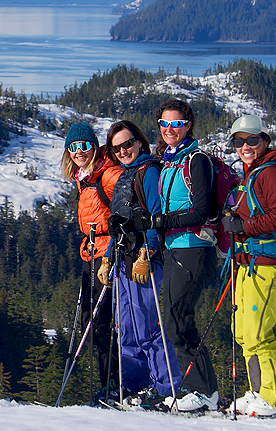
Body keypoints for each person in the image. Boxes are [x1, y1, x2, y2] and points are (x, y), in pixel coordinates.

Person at [120, 98, 219, 412]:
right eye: (164, 123)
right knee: (177, 320)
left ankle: (202, 391)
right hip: (175, 248)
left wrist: (161, 223)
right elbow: (156, 202)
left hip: (193, 248)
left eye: (176, 123)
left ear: (188, 124)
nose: (169, 129)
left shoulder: (196, 161)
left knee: (177, 321)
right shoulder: (170, 160)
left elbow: (200, 211)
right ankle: (200, 390)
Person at [221, 115, 276, 417]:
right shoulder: (252, 174)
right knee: (244, 332)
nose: (244, 146)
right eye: (238, 141)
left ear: (264, 140)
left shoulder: (272, 173)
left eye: (251, 140)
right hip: (248, 263)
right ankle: (259, 392)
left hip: (266, 264)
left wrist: (243, 225)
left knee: (259, 335)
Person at [104, 120, 181, 409]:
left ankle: (167, 388)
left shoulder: (148, 172)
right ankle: (136, 387)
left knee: (147, 327)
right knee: (127, 328)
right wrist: (108, 258)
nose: (123, 151)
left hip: (142, 261)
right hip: (123, 260)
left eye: (127, 144)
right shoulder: (125, 175)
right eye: (116, 148)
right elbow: (119, 224)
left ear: (139, 142)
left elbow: (155, 215)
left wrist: (147, 253)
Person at [60, 121, 121, 401]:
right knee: (90, 321)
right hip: (91, 251)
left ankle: (115, 384)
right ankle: (107, 384)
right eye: (72, 147)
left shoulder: (107, 175)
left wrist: (112, 253)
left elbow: (123, 213)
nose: (78, 151)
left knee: (101, 322)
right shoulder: (83, 177)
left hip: (107, 253)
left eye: (84, 145)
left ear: (94, 146)